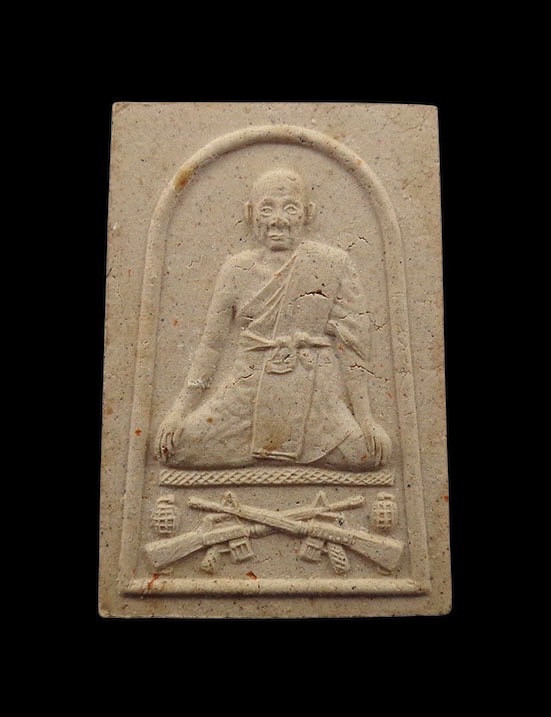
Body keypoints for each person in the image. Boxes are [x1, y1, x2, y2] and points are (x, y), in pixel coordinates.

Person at [155, 169, 391, 470]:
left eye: (290, 208)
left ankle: (278, 448)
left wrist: (366, 418)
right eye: (267, 209)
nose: (277, 219)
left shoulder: (333, 264)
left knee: (370, 453)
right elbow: (211, 346)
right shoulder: (235, 269)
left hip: (313, 392)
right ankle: (268, 447)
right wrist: (178, 411)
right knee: (172, 449)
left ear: (308, 213)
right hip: (246, 392)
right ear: (250, 213)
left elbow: (351, 347)